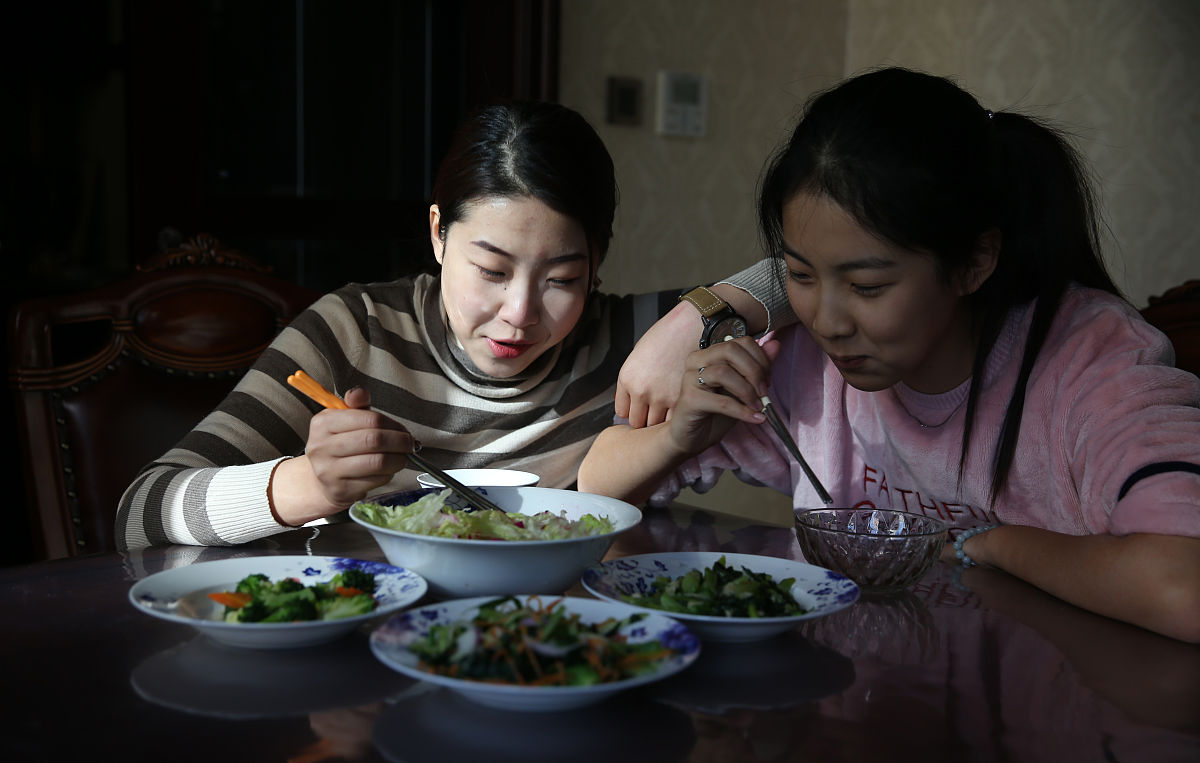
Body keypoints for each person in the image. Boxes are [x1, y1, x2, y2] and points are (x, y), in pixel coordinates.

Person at [578, 68, 1200, 642]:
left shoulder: (1089, 357)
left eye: (868, 287)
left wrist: (993, 544)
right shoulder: (806, 360)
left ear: (974, 261)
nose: (827, 321)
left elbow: (1182, 586)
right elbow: (596, 488)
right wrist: (677, 437)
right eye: (798, 274)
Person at [115, 101, 788, 550]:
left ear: (598, 263)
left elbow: (812, 274)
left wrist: (689, 318)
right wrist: (306, 484)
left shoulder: (633, 341)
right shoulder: (355, 332)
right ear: (438, 233)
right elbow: (142, 512)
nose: (520, 314)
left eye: (561, 279)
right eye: (492, 269)